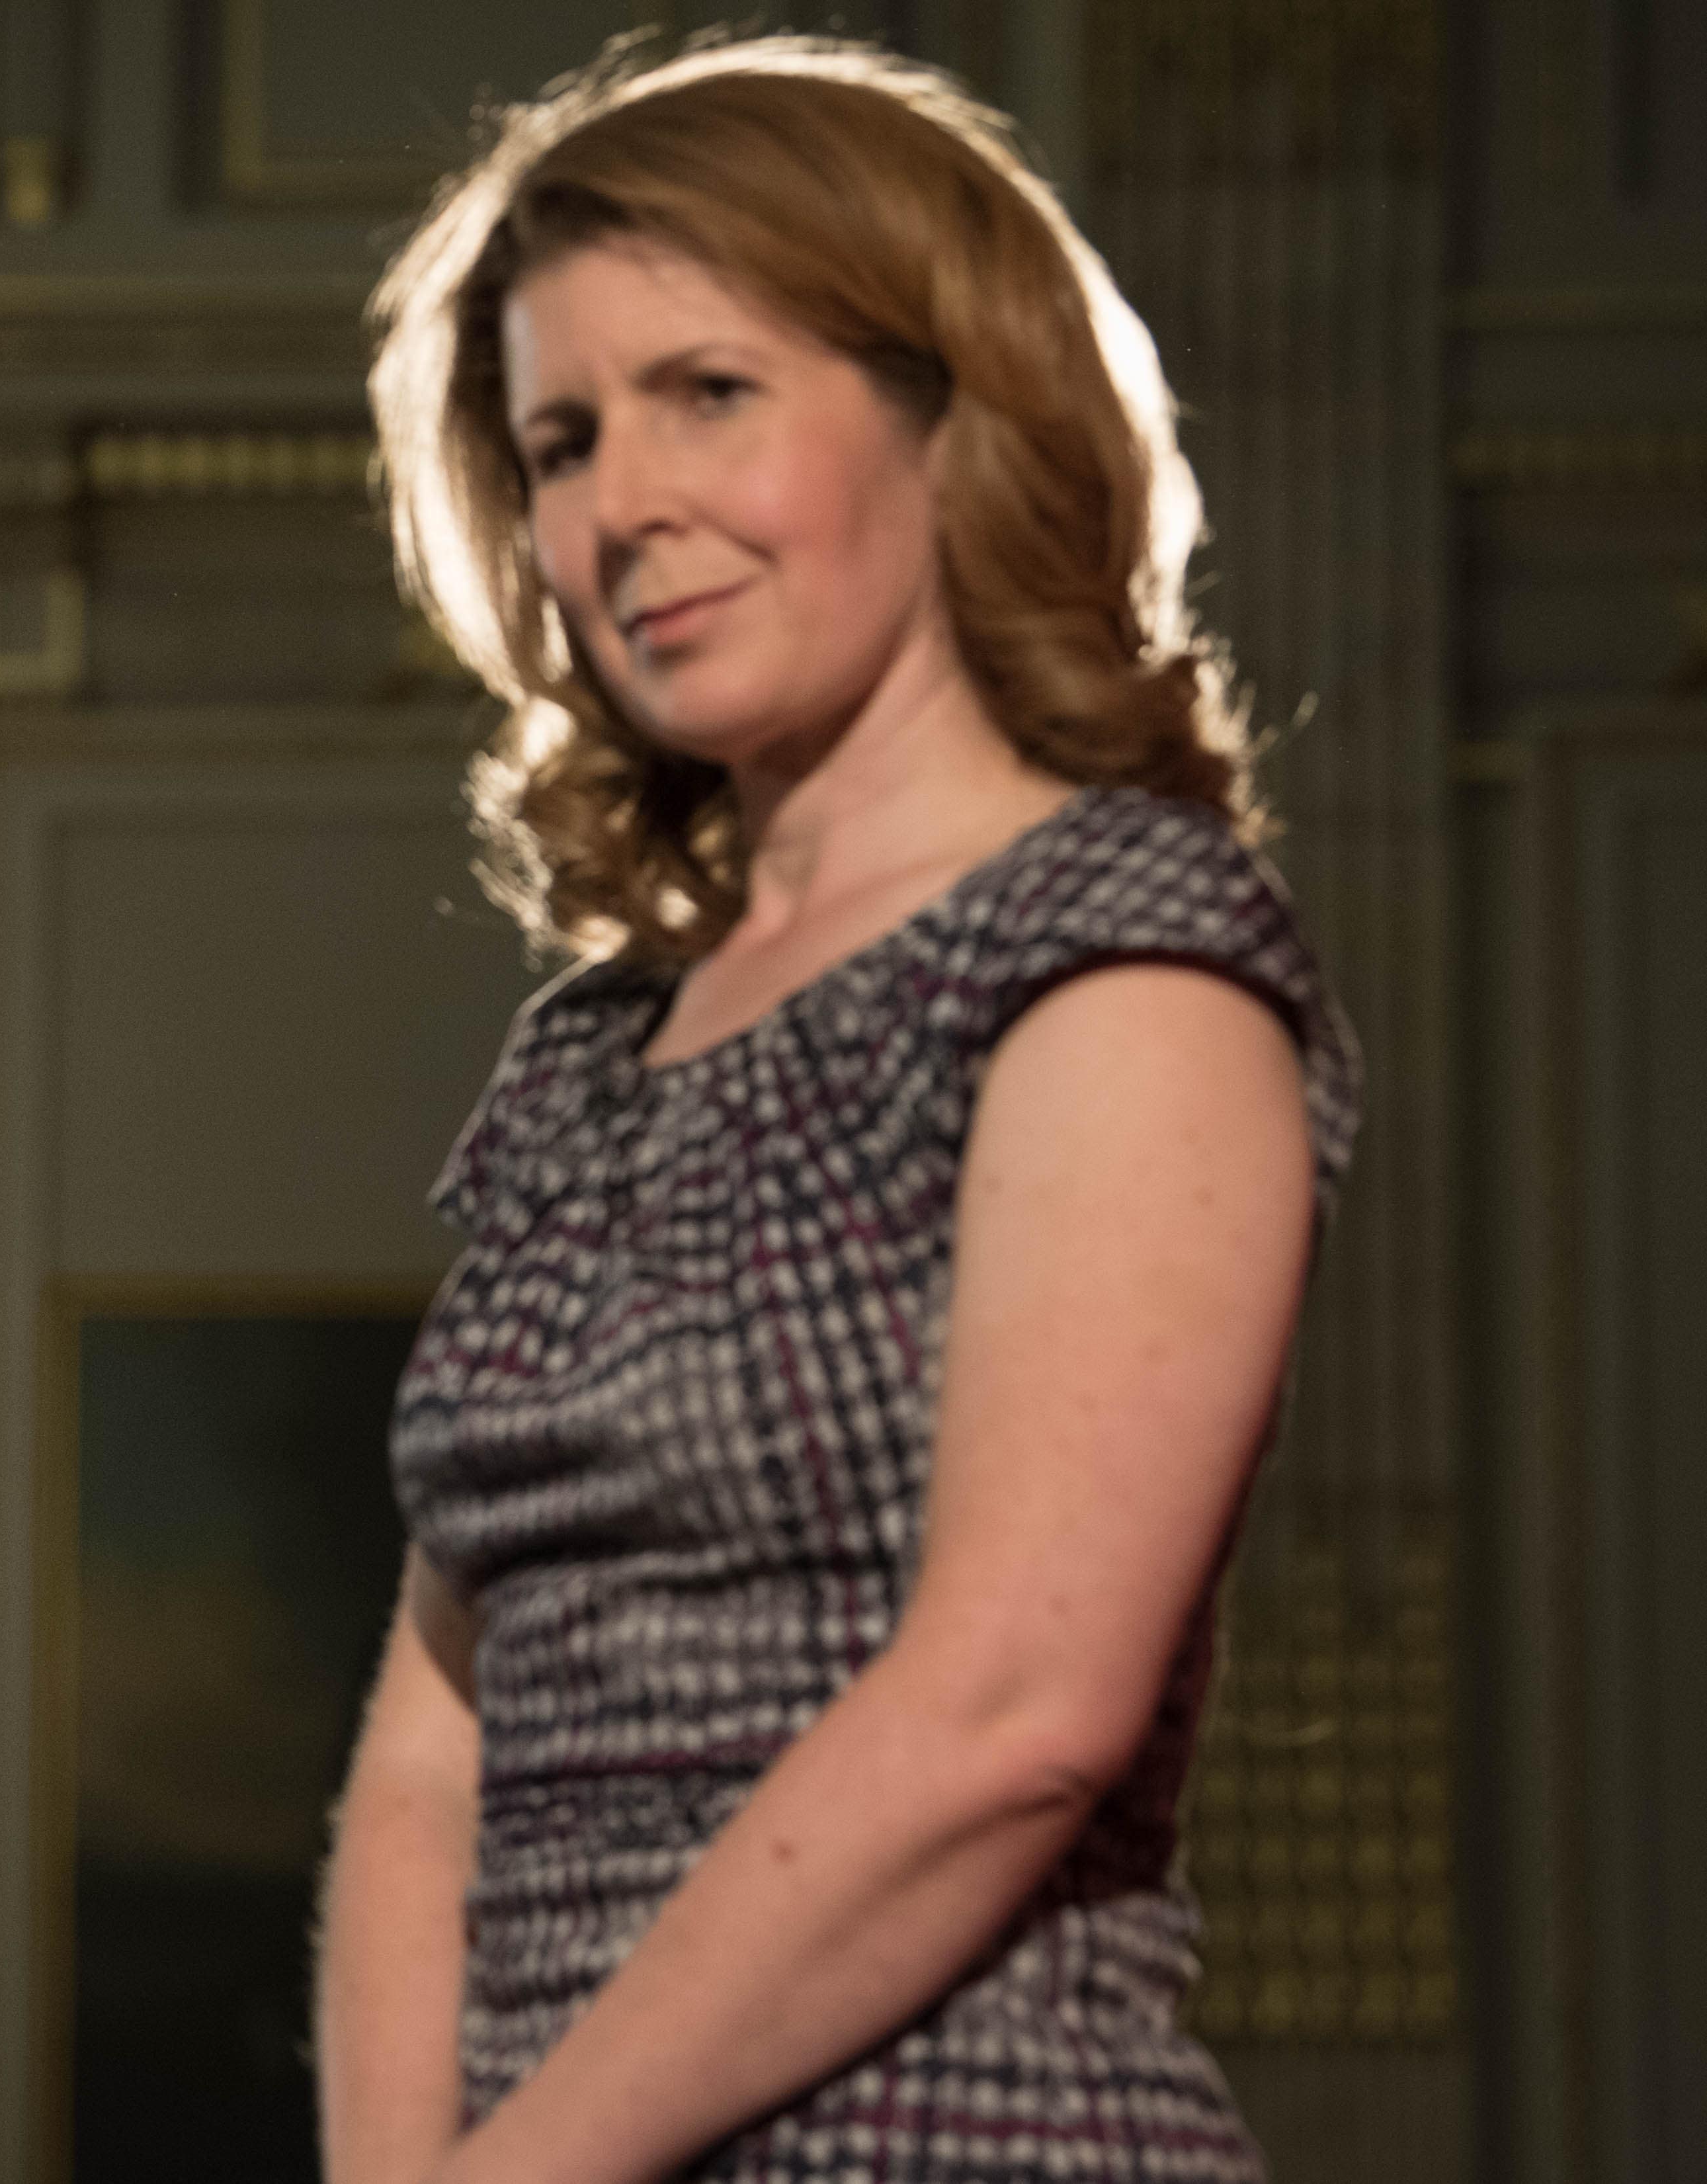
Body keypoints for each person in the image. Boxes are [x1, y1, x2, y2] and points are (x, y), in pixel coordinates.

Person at [317, 36, 1357, 2184]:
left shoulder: (1122, 953)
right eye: (561, 440)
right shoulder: (588, 1056)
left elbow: (1010, 1719)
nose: (622, 504)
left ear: (949, 411)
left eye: (709, 391)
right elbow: (436, 1741)